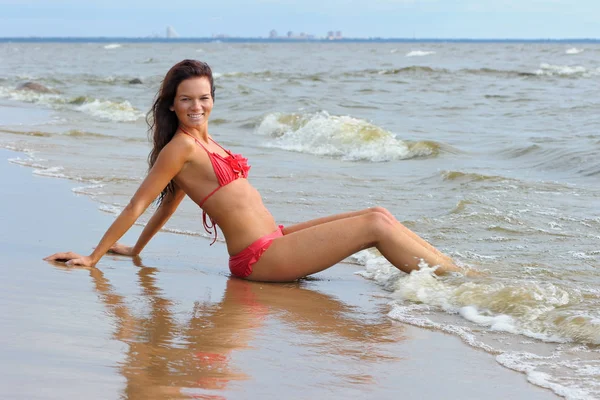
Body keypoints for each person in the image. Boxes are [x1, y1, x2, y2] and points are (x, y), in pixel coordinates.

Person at [45, 59, 469, 282]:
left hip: (277, 238)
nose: (197, 106)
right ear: (172, 104)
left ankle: (457, 274)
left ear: (213, 99)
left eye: (204, 98)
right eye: (187, 99)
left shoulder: (205, 144)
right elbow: (140, 201)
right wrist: (94, 257)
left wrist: (136, 251)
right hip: (259, 259)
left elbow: (168, 204)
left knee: (378, 212)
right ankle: (455, 284)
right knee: (374, 224)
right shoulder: (179, 148)